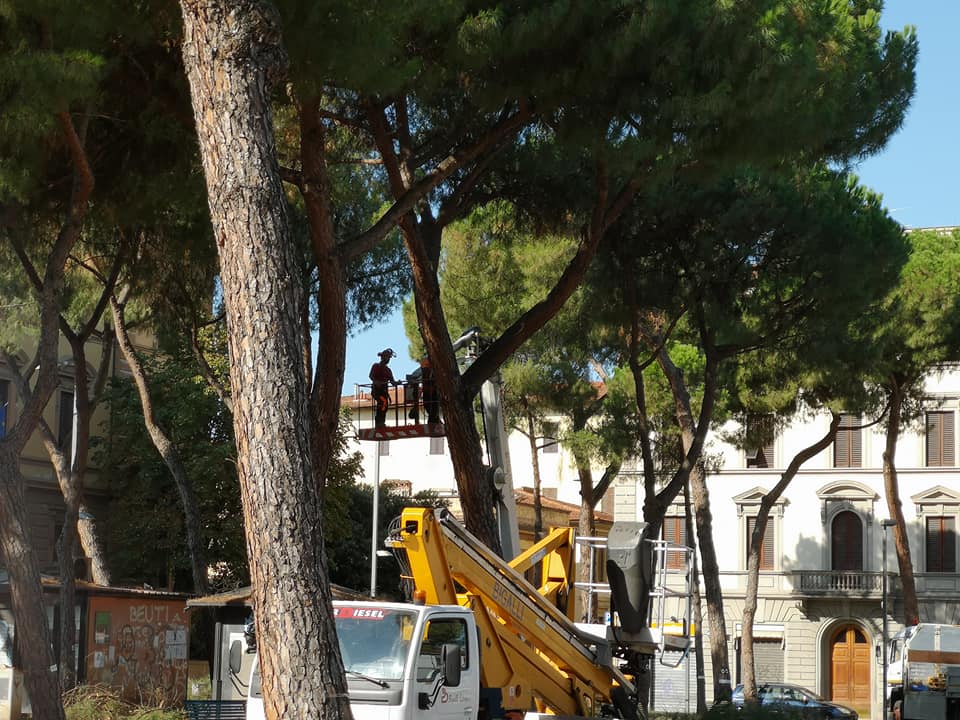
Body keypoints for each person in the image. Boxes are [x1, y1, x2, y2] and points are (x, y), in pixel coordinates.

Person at [369, 348, 398, 427]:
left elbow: (392, 382)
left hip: (384, 392)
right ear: (382, 357)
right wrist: (376, 382)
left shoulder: (388, 370)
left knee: (385, 406)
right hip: (377, 391)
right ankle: (379, 422)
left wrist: (397, 383)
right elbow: (371, 376)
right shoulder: (376, 366)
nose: (388, 359)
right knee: (383, 403)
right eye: (387, 357)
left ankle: (381, 422)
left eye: (389, 358)